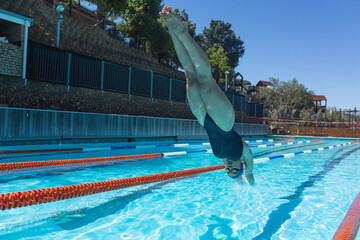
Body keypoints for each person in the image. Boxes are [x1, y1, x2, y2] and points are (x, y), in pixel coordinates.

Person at [160, 5, 255, 185]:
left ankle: (172, 28)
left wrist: (236, 179)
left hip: (204, 119)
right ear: (241, 165)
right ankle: (183, 32)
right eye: (235, 169)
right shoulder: (244, 153)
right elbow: (249, 174)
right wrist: (248, 182)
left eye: (228, 171)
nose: (229, 167)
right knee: (204, 81)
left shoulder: (221, 156)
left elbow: (235, 176)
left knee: (189, 75)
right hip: (224, 123)